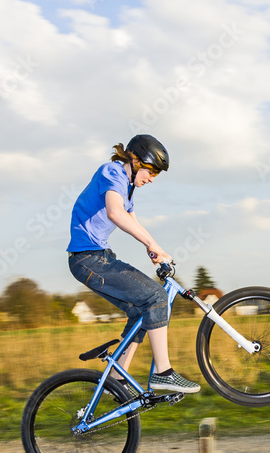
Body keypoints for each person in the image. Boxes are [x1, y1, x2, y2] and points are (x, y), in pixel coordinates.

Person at [67, 134, 200, 394]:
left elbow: (133, 221)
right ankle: (163, 373)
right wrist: (151, 244)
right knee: (156, 296)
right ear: (136, 160)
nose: (151, 179)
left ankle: (116, 378)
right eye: (151, 172)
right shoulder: (112, 172)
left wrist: (156, 250)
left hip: (100, 256)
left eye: (155, 176)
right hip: (87, 259)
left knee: (141, 310)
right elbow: (115, 213)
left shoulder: (127, 186)